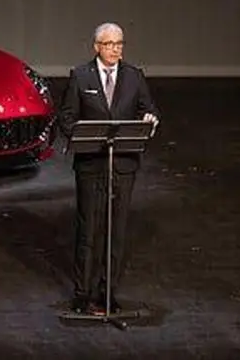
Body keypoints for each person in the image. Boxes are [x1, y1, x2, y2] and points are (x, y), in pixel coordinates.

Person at [58, 22, 160, 315]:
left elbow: (148, 109)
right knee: (88, 230)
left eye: (119, 43)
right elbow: (67, 117)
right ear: (96, 47)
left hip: (123, 164)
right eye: (109, 44)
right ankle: (82, 293)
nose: (115, 49)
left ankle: (107, 293)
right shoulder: (80, 76)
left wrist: (150, 118)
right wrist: (80, 134)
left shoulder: (134, 76)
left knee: (116, 231)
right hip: (91, 164)